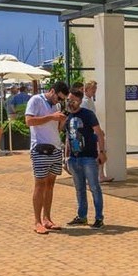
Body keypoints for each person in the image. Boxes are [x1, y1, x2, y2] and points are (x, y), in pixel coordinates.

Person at [24, 80, 70, 235]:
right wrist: (51, 117)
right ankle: (37, 222)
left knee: (50, 185)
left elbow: (56, 129)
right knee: (40, 184)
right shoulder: (36, 100)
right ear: (52, 91)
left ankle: (47, 219)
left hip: (55, 148)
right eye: (59, 98)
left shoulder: (56, 107)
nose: (60, 101)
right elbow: (29, 121)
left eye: (62, 99)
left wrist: (62, 122)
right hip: (40, 148)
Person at [62, 91, 106, 228]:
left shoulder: (88, 114)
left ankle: (99, 218)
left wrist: (102, 152)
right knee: (79, 189)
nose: (70, 103)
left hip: (88, 157)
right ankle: (82, 216)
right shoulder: (67, 117)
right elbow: (68, 137)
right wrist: (66, 157)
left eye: (73, 101)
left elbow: (99, 133)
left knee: (94, 187)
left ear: (80, 101)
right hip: (74, 158)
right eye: (68, 100)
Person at [81, 80, 112, 182]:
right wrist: (97, 131)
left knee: (100, 151)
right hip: (90, 132)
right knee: (96, 152)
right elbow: (87, 119)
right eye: (92, 89)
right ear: (86, 90)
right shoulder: (85, 102)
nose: (94, 91)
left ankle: (100, 175)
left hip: (92, 130)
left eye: (95, 89)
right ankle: (96, 175)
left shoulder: (89, 101)